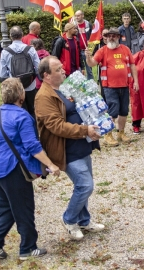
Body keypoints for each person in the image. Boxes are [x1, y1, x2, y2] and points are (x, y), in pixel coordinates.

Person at [0, 78, 60, 261]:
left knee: (5, 207)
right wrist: (50, 164)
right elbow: (32, 145)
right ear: (22, 95)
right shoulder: (22, 116)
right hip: (13, 170)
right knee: (24, 208)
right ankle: (28, 247)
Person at [34, 57, 105, 241]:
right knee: (85, 185)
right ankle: (69, 219)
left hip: (81, 143)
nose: (63, 70)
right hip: (66, 149)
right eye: (58, 69)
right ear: (46, 76)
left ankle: (84, 220)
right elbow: (56, 126)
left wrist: (94, 122)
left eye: (62, 68)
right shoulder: (43, 97)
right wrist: (84, 130)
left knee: (85, 184)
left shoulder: (63, 88)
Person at [86, 27, 139, 146]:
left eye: (113, 36)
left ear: (118, 37)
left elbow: (132, 65)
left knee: (124, 111)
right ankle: (108, 135)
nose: (110, 38)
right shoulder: (103, 50)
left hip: (124, 86)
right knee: (112, 111)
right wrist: (88, 57)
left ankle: (121, 133)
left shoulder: (125, 49)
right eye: (108, 36)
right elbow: (92, 63)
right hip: (109, 87)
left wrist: (136, 81)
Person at [0, 26, 40, 117]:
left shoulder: (5, 52)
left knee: (19, 113)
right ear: (22, 35)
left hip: (16, 87)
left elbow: (2, 73)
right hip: (30, 85)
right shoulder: (30, 49)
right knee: (33, 111)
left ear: (10, 36)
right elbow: (38, 68)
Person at [71, 10, 94, 79]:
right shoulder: (73, 25)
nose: (77, 17)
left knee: (89, 69)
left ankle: (91, 84)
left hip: (87, 50)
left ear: (82, 16)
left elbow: (92, 36)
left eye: (78, 15)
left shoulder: (88, 24)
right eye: (76, 16)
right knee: (79, 69)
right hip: (78, 50)